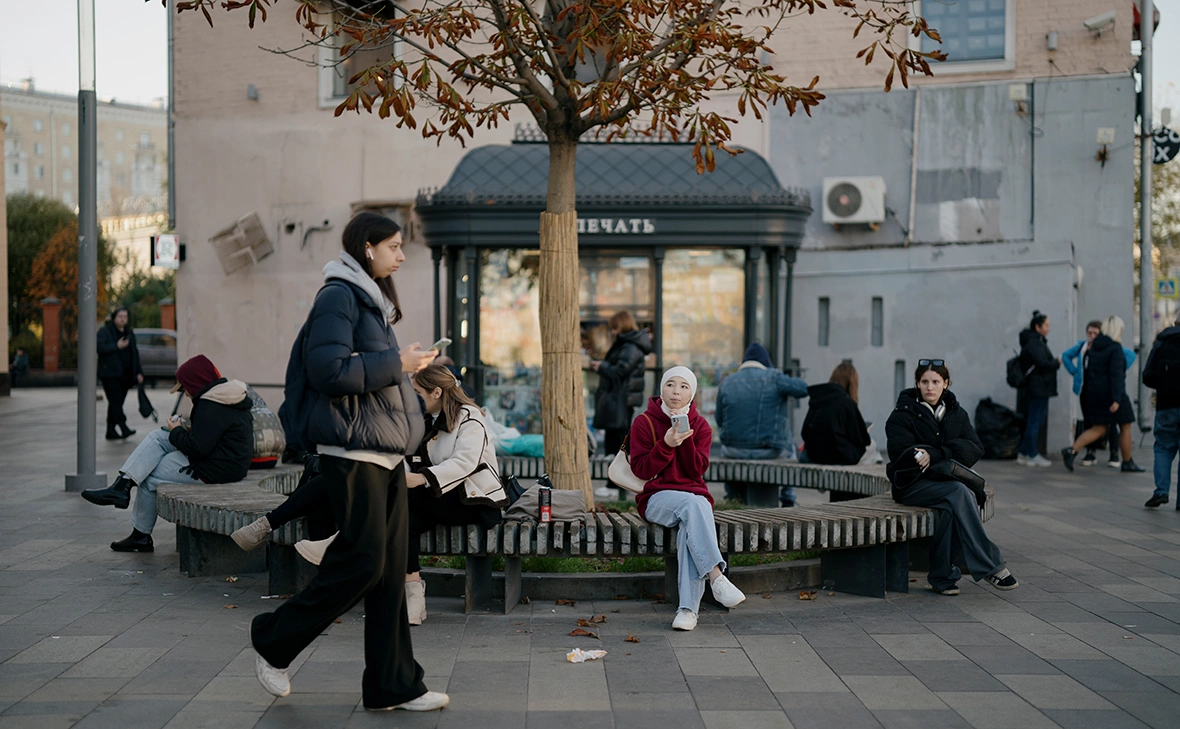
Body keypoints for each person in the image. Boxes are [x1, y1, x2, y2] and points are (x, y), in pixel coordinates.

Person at [247, 211, 447, 711]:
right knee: (362, 563)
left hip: (383, 453)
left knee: (388, 571)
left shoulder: (369, 301)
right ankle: (273, 639)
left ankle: (393, 685)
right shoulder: (338, 295)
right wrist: (396, 363)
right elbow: (328, 370)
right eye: (395, 246)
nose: (402, 255)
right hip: (352, 452)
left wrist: (408, 362)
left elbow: (365, 372)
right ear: (368, 248)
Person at [276, 365, 507, 627]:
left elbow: (465, 463)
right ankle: (413, 601)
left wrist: (419, 478)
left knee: (399, 501)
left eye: (417, 392)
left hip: (473, 500)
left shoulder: (471, 418)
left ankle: (340, 546)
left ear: (436, 392)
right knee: (402, 521)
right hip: (438, 497)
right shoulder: (428, 420)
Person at [79, 354, 254, 552]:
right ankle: (121, 485)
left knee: (149, 475)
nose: (186, 394)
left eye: (185, 388)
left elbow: (198, 448)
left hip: (215, 469)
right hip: (227, 461)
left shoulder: (210, 406)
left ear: (196, 382)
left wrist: (177, 430)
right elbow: (212, 436)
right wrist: (180, 430)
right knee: (157, 437)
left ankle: (140, 535)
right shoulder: (224, 396)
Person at [886, 359, 1018, 595]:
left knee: (951, 508)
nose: (930, 387)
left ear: (945, 384)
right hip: (911, 485)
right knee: (960, 492)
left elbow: (974, 448)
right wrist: (930, 454)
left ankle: (942, 577)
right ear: (917, 383)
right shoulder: (902, 415)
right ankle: (991, 565)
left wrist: (936, 453)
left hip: (944, 484)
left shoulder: (956, 413)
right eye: (924, 381)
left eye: (936, 381)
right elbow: (901, 454)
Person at [631, 366, 746, 631]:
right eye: (671, 384)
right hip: (657, 498)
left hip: (693, 500)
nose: (676, 391)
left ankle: (687, 611)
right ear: (662, 388)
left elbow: (696, 471)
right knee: (693, 505)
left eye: (684, 386)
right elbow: (641, 470)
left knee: (688, 528)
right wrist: (666, 444)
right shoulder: (644, 422)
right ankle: (716, 576)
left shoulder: (701, 426)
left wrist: (682, 438)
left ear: (692, 393)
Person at [714, 343, 808, 506]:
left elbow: (719, 420)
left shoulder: (727, 382)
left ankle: (732, 497)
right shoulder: (774, 377)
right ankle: (788, 499)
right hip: (769, 450)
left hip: (733, 451)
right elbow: (803, 389)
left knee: (723, 450)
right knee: (790, 447)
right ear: (766, 362)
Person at [1060, 316, 1143, 471]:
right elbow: (1116, 375)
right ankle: (1127, 462)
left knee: (1099, 428)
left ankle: (1072, 450)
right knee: (1125, 426)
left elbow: (1088, 371)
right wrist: (1116, 399)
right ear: (1117, 330)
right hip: (1114, 394)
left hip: (1096, 394)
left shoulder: (1093, 348)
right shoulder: (1115, 349)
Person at [590, 311, 653, 498]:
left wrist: (601, 367)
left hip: (621, 400)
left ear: (621, 326)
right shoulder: (630, 344)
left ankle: (615, 486)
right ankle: (614, 484)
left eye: (614, 327)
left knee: (619, 444)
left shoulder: (630, 345)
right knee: (616, 442)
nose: (612, 331)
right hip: (621, 399)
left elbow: (620, 371)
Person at [800, 362, 871, 466]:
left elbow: (804, 432)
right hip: (841, 456)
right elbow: (861, 439)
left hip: (815, 456)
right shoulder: (847, 403)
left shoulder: (818, 398)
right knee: (872, 446)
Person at [1143, 313, 1180, 508]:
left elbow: (1147, 376)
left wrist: (1164, 386)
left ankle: (1161, 491)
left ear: (1175, 323)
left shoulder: (1162, 342)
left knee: (1163, 448)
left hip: (1166, 405)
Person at [1016, 310, 1059, 467]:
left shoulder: (1034, 341)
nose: (1048, 328)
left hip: (1037, 387)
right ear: (1037, 326)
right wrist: (1057, 362)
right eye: (1046, 325)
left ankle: (1024, 453)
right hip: (1038, 387)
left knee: (1034, 420)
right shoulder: (1035, 343)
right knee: (1035, 420)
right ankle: (1032, 454)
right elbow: (1043, 364)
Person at [97, 307, 144, 440]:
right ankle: (123, 427)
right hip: (110, 374)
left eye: (125, 316)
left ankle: (110, 431)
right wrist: (116, 346)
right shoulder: (105, 332)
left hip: (126, 375)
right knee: (116, 401)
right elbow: (99, 348)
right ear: (114, 318)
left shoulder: (129, 333)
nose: (123, 319)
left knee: (116, 403)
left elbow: (135, 353)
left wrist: (139, 372)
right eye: (120, 316)